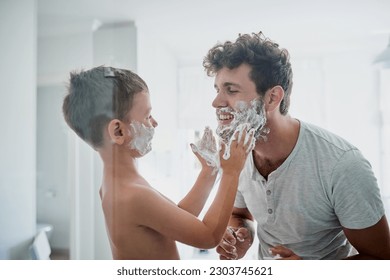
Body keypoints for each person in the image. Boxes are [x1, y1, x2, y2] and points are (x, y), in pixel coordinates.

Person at [202, 32, 390, 260]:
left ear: (272, 98)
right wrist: (242, 235)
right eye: (217, 90)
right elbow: (239, 213)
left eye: (231, 90)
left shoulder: (342, 165)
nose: (216, 102)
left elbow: (382, 258)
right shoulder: (237, 155)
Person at [62, 66, 254, 259]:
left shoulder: (119, 185)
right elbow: (208, 236)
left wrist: (209, 172)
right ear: (118, 132)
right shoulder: (132, 195)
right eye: (147, 116)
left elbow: (177, 216)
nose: (155, 123)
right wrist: (231, 173)